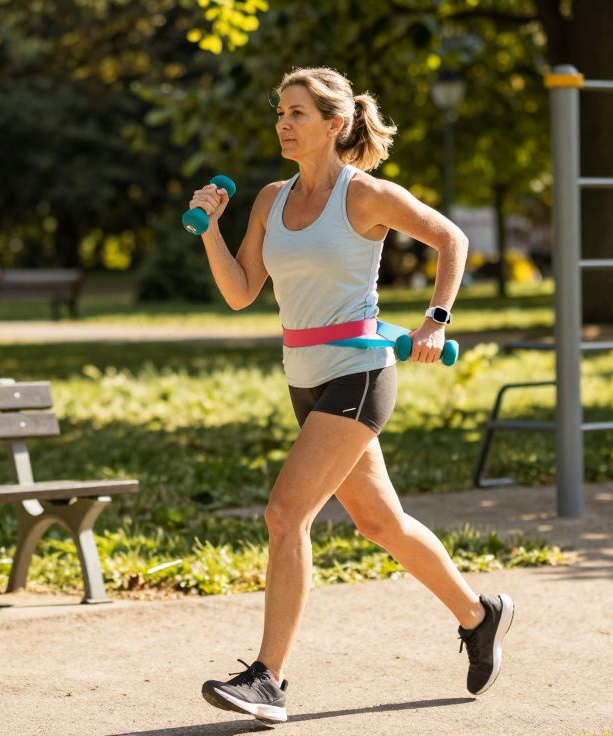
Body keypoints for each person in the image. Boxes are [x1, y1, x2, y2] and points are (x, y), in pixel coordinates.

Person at [189, 67, 514, 725]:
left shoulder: (363, 195)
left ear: (335, 124)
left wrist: (436, 318)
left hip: (359, 372)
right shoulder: (269, 199)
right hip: (303, 377)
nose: (284, 123)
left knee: (285, 514)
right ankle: (481, 617)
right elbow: (242, 291)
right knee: (379, 523)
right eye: (280, 111)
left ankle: (267, 679)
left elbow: (451, 238)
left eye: (299, 113)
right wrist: (209, 231)